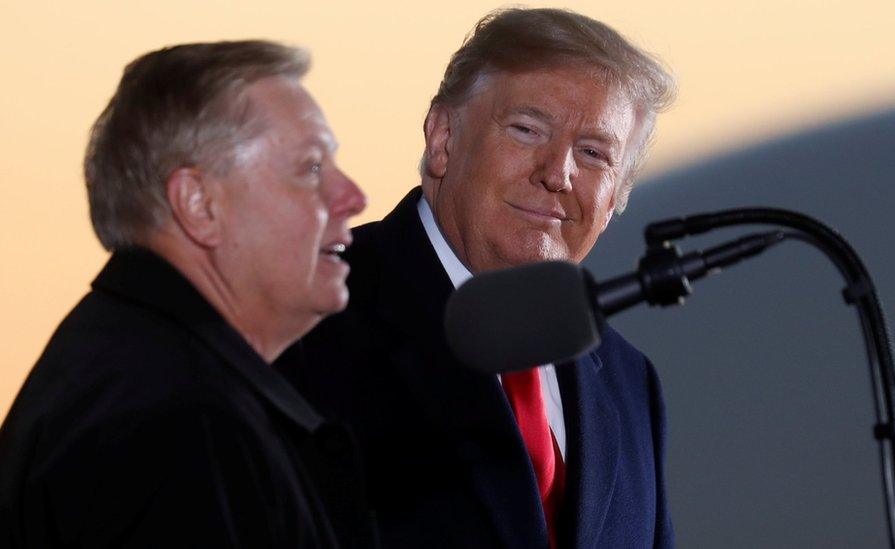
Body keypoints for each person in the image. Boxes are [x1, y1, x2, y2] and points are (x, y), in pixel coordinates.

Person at [277, 8, 676, 548]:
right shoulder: (301, 315)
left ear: (617, 196)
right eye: (527, 129)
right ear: (442, 138)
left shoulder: (629, 383)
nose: (558, 173)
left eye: (593, 153)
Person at [0, 40, 374, 548]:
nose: (353, 197)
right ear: (199, 205)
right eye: (310, 168)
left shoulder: (124, 372)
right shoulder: (181, 425)